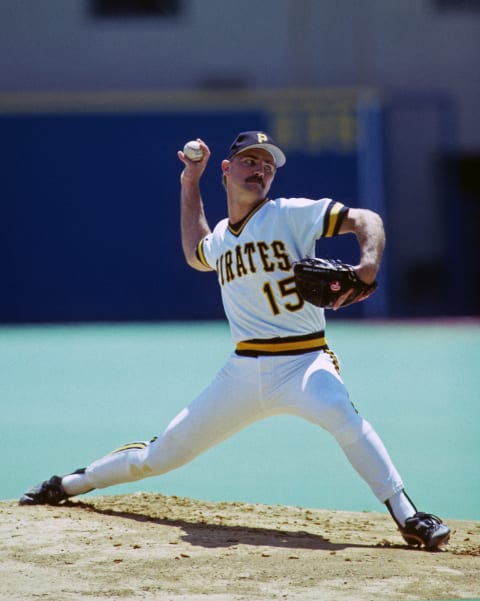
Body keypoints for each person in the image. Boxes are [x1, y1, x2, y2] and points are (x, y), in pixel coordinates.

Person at [20, 130, 450, 550]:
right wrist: (190, 182)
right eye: (250, 161)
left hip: (305, 361)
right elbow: (195, 252)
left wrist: (368, 267)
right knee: (162, 455)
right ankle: (70, 484)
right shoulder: (224, 237)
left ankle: (408, 516)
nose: (259, 170)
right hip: (242, 371)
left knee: (344, 418)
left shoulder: (290, 213)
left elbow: (366, 219)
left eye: (267, 165)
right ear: (226, 170)